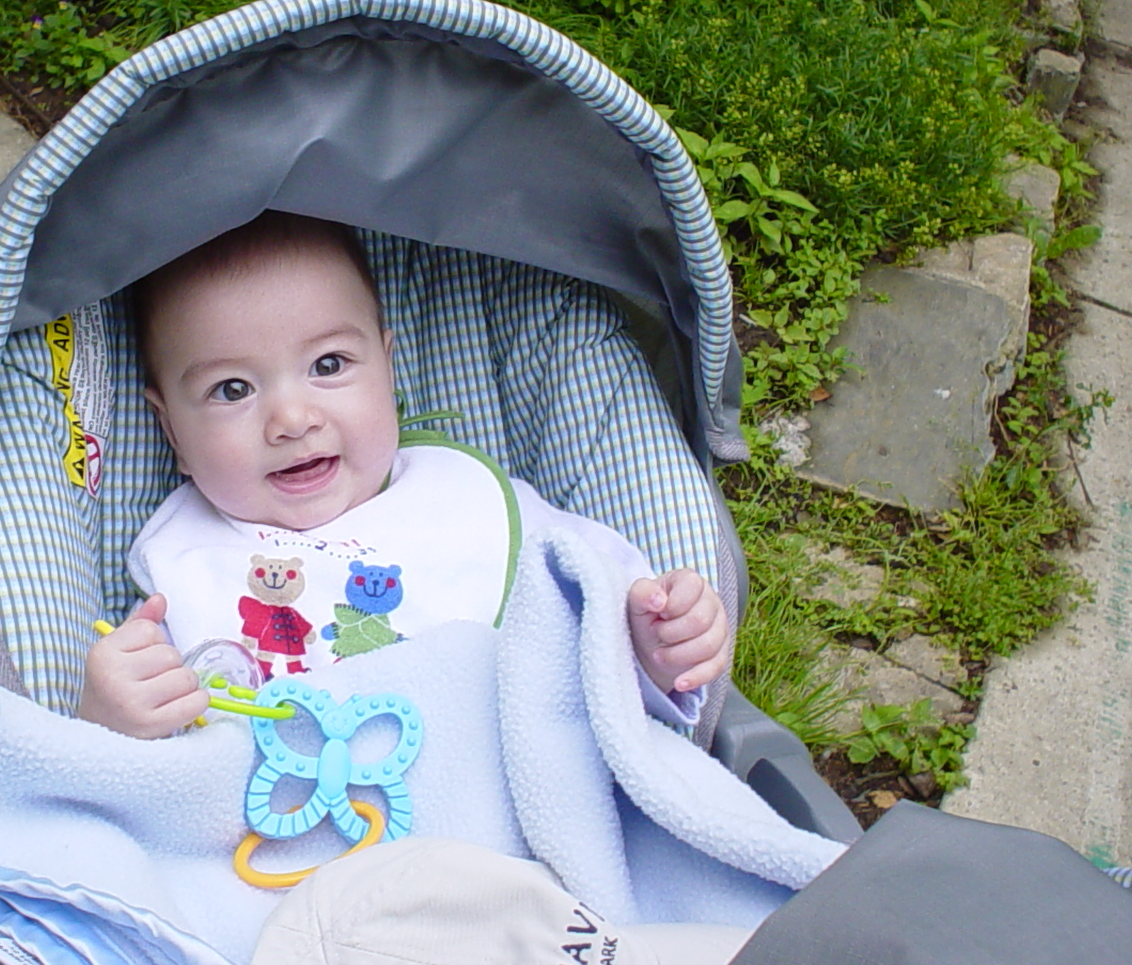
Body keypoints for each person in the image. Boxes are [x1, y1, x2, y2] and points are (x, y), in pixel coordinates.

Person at [78, 213, 731, 739]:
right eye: (232, 389)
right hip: (282, 843)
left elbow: (602, 628)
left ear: (388, 372)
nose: (292, 419)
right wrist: (110, 717)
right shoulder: (186, 571)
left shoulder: (471, 506)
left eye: (329, 365)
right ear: (172, 433)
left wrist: (654, 642)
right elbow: (146, 760)